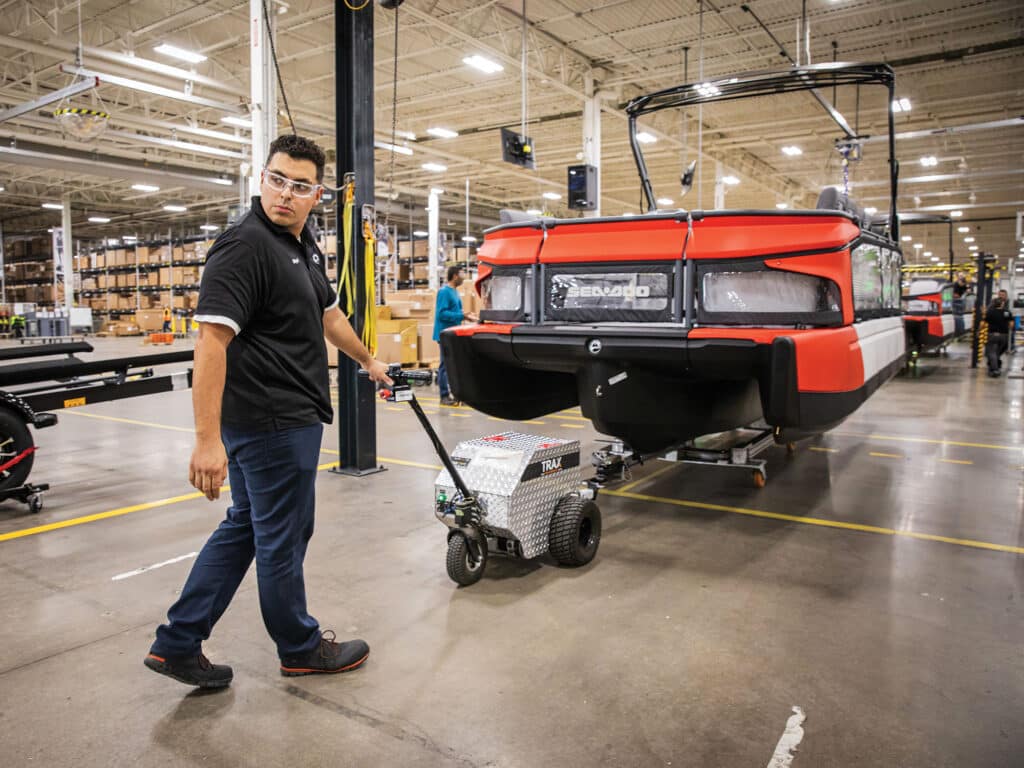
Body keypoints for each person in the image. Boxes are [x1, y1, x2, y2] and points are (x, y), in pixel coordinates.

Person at [144, 135, 392, 689]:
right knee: (282, 536)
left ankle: (177, 642)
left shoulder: (303, 245)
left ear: (317, 195)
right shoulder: (245, 246)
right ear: (262, 178)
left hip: (287, 418)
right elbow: (210, 343)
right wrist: (206, 441)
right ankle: (300, 647)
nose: (285, 193)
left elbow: (329, 316)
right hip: (271, 421)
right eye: (277, 179)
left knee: (247, 529)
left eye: (299, 186)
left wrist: (370, 361)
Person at [433, 265, 477, 406]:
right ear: (455, 275)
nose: (464, 277)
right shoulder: (445, 292)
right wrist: (461, 315)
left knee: (454, 365)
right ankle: (444, 396)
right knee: (445, 366)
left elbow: (455, 312)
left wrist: (466, 316)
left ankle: (457, 394)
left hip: (454, 333)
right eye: (462, 273)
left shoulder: (454, 292)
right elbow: (442, 314)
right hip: (445, 334)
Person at [984, 294, 1012, 377]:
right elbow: (1011, 324)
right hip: (1004, 336)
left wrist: (979, 330)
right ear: (1002, 304)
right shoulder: (1007, 312)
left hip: (992, 335)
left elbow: (984, 323)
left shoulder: (990, 312)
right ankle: (995, 364)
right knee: (997, 352)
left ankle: (995, 369)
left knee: (992, 352)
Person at [951, 272, 969, 337]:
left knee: (959, 317)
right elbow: (955, 295)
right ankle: (959, 333)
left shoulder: (964, 285)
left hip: (959, 302)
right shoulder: (955, 284)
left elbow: (967, 290)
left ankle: (960, 333)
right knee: (958, 317)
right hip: (957, 302)